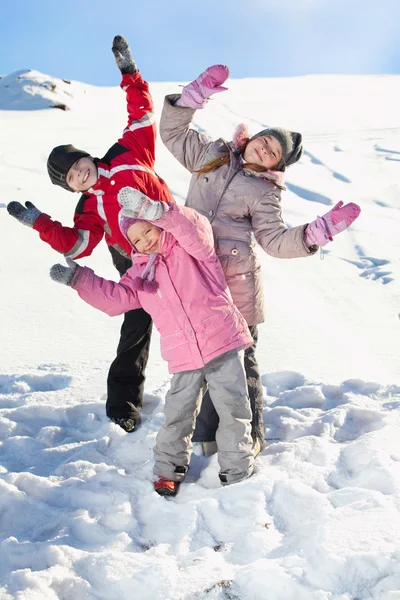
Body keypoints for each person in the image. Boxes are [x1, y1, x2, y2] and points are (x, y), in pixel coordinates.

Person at [159, 65, 361, 455]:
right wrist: (191, 99)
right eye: (265, 141)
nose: (265, 149)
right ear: (254, 137)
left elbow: (273, 239)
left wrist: (314, 233)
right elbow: (172, 134)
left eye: (273, 153)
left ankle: (249, 438)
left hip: (235, 282)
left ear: (275, 166)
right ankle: (206, 437)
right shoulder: (212, 154)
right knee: (199, 355)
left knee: (241, 361)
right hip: (193, 275)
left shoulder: (265, 193)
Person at [7, 35, 175, 433]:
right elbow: (77, 245)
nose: (79, 173)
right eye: (71, 179)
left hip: (174, 238)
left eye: (77, 164)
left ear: (85, 155)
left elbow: (141, 112)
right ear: (72, 188)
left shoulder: (127, 152)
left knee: (201, 309)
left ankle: (217, 387)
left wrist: (129, 71)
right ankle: (123, 406)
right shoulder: (88, 207)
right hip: (134, 260)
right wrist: (39, 223)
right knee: (136, 324)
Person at [49, 188, 255, 496]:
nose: (146, 240)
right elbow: (115, 300)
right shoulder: (139, 274)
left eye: (148, 231)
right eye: (137, 239)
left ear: (157, 224)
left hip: (222, 340)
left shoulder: (193, 249)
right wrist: (80, 280)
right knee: (177, 413)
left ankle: (237, 468)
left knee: (233, 407)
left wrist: (157, 209)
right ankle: (167, 470)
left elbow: (192, 226)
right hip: (183, 354)